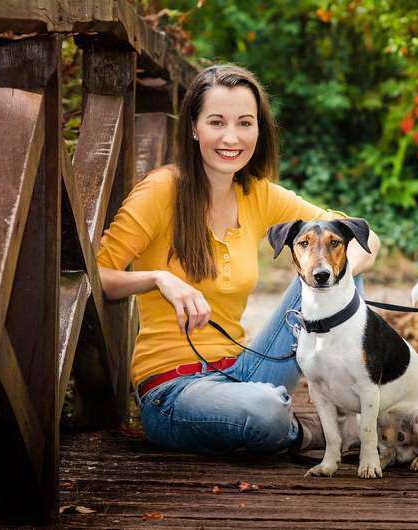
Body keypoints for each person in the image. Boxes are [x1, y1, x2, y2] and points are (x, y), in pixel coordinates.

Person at [96, 64, 380, 455]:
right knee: (263, 411)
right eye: (216, 122)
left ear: (259, 130)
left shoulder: (257, 195)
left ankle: (346, 401)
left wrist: (327, 277)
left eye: (245, 123)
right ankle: (315, 432)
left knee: (342, 270)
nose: (231, 137)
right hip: (174, 390)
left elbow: (365, 239)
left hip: (245, 370)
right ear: (193, 127)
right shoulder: (161, 191)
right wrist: (158, 278)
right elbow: (97, 274)